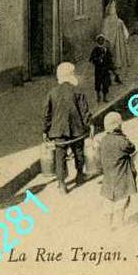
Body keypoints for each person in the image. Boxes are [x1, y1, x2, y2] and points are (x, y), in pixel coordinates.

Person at [44, 62, 92, 193]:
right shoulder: (78, 91)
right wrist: (89, 125)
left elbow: (47, 114)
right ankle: (80, 175)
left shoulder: (52, 93)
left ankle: (62, 183)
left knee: (60, 156)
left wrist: (45, 131)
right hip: (76, 129)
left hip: (58, 131)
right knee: (79, 152)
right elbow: (84, 111)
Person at [98, 111, 137, 228]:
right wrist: (123, 136)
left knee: (108, 202)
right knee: (122, 201)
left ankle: (107, 225)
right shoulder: (121, 141)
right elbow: (132, 148)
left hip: (108, 177)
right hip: (121, 177)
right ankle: (120, 225)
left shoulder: (104, 140)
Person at [89, 34, 122, 104]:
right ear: (97, 41)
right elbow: (91, 59)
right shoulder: (95, 49)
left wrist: (112, 67)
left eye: (102, 40)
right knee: (98, 83)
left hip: (105, 70)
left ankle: (105, 97)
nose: (101, 41)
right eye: (99, 40)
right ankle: (98, 96)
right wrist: (97, 60)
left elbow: (109, 59)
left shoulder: (106, 50)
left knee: (105, 84)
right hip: (98, 70)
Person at [101, 0, 131, 72]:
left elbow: (104, 31)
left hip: (115, 40)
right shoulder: (115, 21)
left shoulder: (117, 22)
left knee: (116, 50)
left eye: (113, 8)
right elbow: (125, 33)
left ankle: (115, 63)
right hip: (113, 40)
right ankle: (115, 63)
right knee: (115, 50)